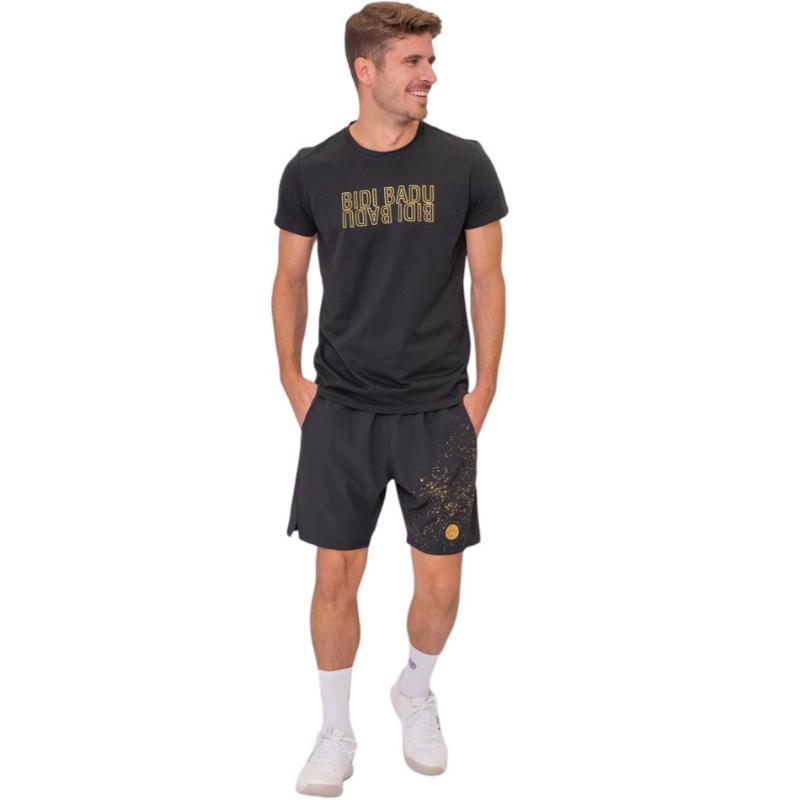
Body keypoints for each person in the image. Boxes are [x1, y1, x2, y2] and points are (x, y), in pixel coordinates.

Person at [272, 2, 508, 795]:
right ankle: (335, 730)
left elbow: (488, 280)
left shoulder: (464, 163)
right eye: (413, 61)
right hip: (341, 411)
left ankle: (414, 688)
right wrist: (293, 382)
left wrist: (483, 392)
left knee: (440, 580)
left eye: (430, 60)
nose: (429, 74)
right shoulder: (311, 170)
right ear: (365, 69)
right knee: (334, 578)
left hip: (438, 412)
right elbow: (288, 280)